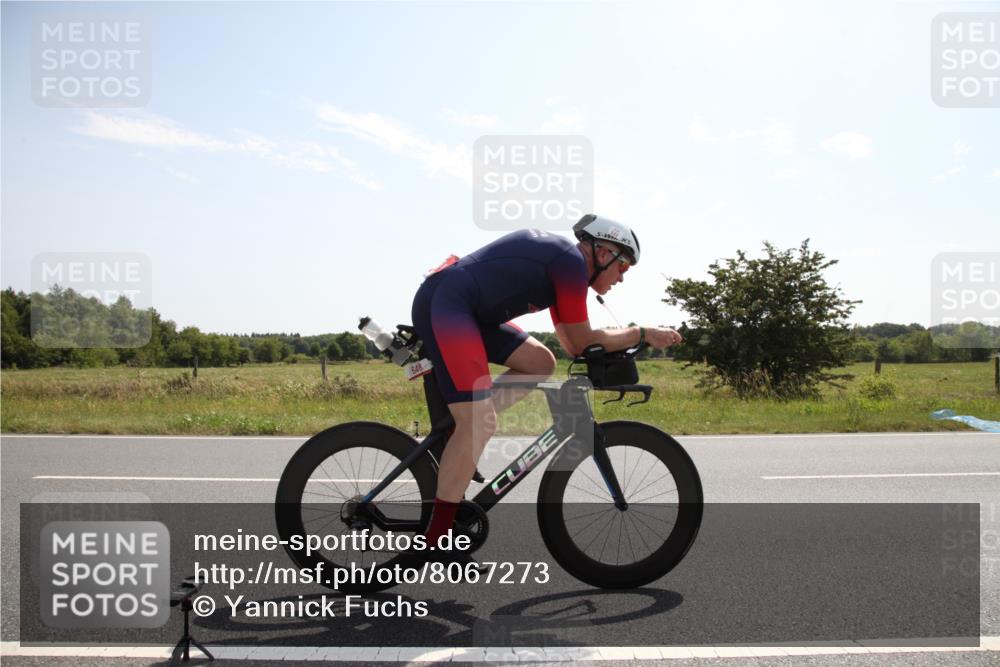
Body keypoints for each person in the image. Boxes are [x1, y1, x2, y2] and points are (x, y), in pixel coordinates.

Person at [410, 214, 684, 551]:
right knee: (479, 423)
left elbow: (573, 345)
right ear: (603, 253)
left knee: (541, 362)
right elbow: (584, 340)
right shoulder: (568, 262)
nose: (622, 278)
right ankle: (437, 539)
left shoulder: (566, 267)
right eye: (623, 267)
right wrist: (643, 333)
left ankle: (460, 428)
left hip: (463, 308)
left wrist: (627, 340)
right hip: (449, 305)